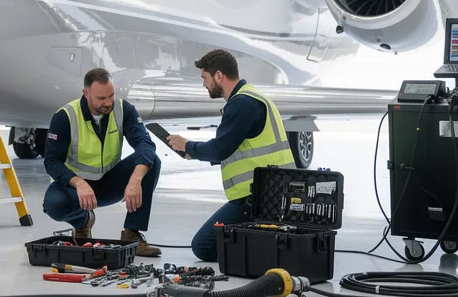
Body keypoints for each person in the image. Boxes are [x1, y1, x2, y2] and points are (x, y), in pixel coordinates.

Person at [164, 49, 295, 262]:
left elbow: (221, 148)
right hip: (271, 194)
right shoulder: (250, 98)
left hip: (258, 200)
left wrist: (188, 145)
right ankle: (262, 240)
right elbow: (235, 148)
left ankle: (264, 248)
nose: (204, 84)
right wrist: (193, 153)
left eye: (205, 78)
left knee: (204, 247)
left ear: (218, 76)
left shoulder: (242, 103)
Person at [42, 68, 162, 257]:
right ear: (86, 93)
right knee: (53, 204)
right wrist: (78, 183)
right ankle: (83, 222)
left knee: (151, 161)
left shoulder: (124, 110)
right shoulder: (65, 116)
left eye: (111, 96)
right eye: (101, 98)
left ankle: (132, 233)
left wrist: (136, 179)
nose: (108, 103)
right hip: (77, 189)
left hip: (109, 183)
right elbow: (51, 162)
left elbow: (145, 144)